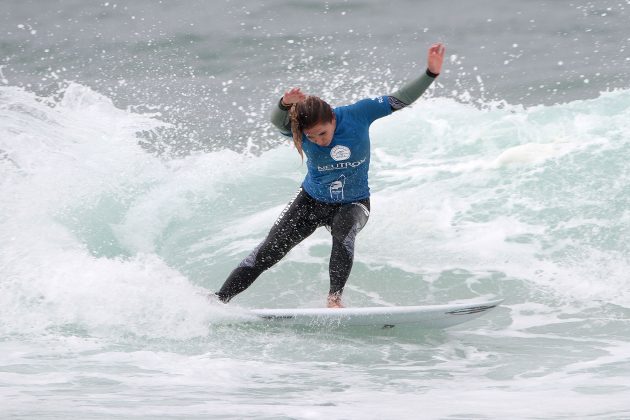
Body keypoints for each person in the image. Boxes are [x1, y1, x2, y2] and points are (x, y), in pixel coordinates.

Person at [215, 43, 446, 308]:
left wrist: (430, 73)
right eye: (311, 137)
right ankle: (219, 300)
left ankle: (334, 298)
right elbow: (276, 122)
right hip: (312, 200)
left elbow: (400, 98)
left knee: (343, 235)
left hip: (354, 201)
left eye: (322, 133)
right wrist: (283, 104)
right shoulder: (298, 130)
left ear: (333, 119)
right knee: (268, 251)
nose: (318, 141)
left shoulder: (358, 114)